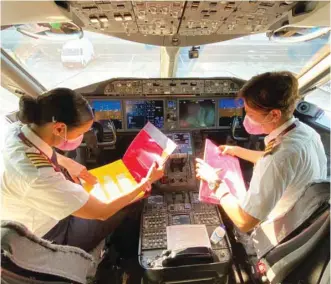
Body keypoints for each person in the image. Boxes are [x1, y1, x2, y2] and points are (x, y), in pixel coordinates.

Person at [1, 88, 164, 252]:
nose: (83, 137)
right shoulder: (38, 176)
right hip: (49, 234)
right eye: (81, 132)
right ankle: (120, 254)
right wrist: (145, 183)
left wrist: (66, 162)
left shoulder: (17, 130)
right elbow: (102, 212)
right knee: (131, 201)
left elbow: (34, 153)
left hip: (37, 209)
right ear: (59, 129)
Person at [196, 71, 327, 232]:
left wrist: (215, 183)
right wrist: (236, 150)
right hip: (306, 222)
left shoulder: (277, 158)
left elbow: (244, 222)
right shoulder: (306, 133)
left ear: (274, 114)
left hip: (281, 234)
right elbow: (279, 163)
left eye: (250, 114)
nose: (247, 118)